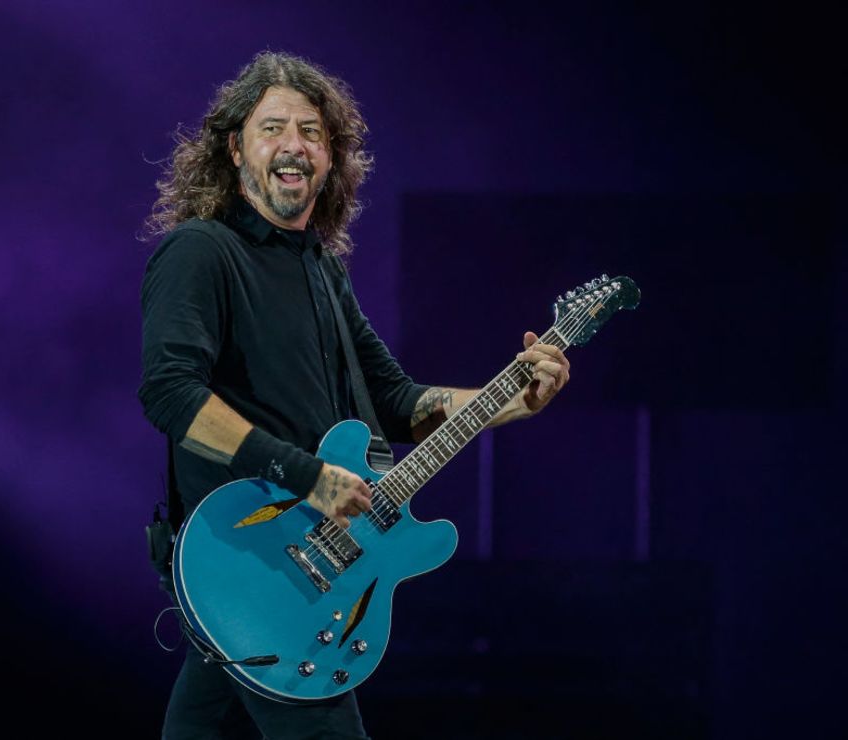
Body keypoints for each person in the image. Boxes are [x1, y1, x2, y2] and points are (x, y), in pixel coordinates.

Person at [139, 51, 570, 740]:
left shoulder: (322, 272)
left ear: (332, 157)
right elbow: (171, 395)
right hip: (250, 560)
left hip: (279, 585)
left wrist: (511, 398)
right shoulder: (202, 252)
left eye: (312, 131)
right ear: (235, 148)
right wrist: (308, 477)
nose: (293, 144)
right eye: (272, 126)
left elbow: (397, 401)